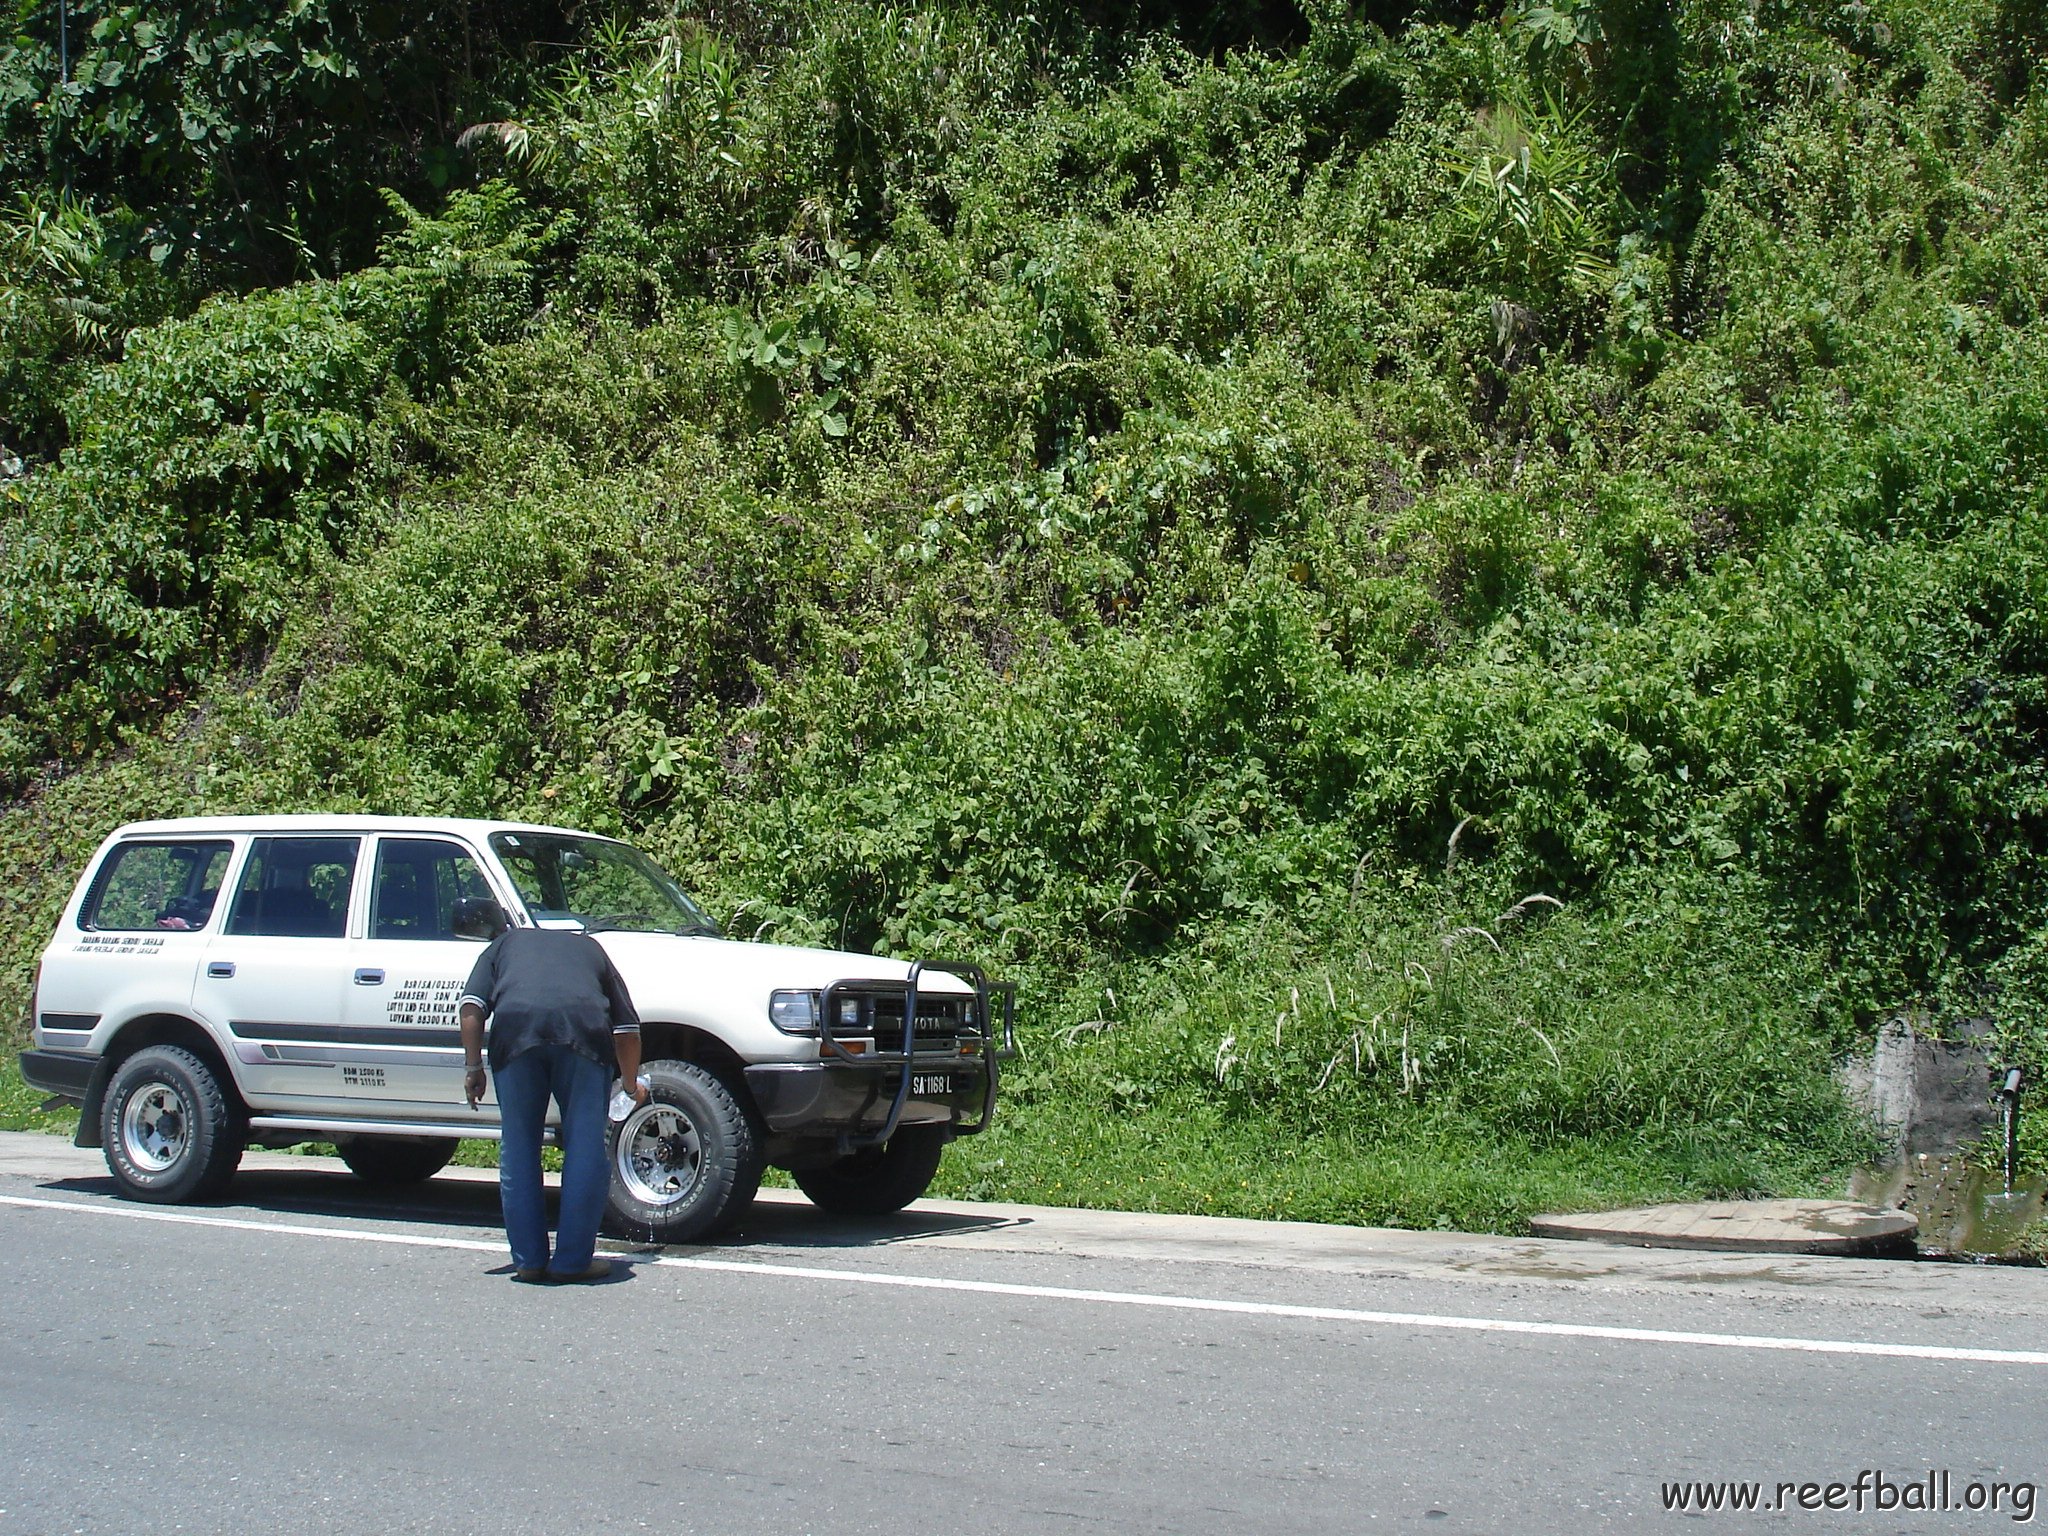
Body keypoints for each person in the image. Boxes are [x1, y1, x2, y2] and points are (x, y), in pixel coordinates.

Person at [458, 912, 649, 1283]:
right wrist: (630, 1086)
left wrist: (473, 1069)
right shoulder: (592, 950)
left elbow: (471, 1008)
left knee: (519, 1145)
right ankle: (572, 1260)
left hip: (516, 1033)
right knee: (584, 1147)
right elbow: (627, 1030)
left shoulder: (502, 945)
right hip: (582, 1032)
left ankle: (528, 1260)